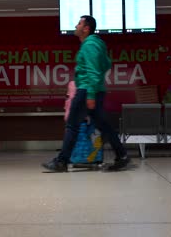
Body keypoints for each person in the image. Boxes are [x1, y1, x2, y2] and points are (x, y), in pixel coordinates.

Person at [42, 15, 130, 172]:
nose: (76, 26)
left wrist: (89, 95)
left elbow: (93, 71)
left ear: (86, 28)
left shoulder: (90, 45)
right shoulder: (97, 44)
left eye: (79, 24)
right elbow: (106, 64)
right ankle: (122, 155)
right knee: (104, 125)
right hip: (95, 90)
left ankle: (61, 161)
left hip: (86, 90)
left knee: (72, 125)